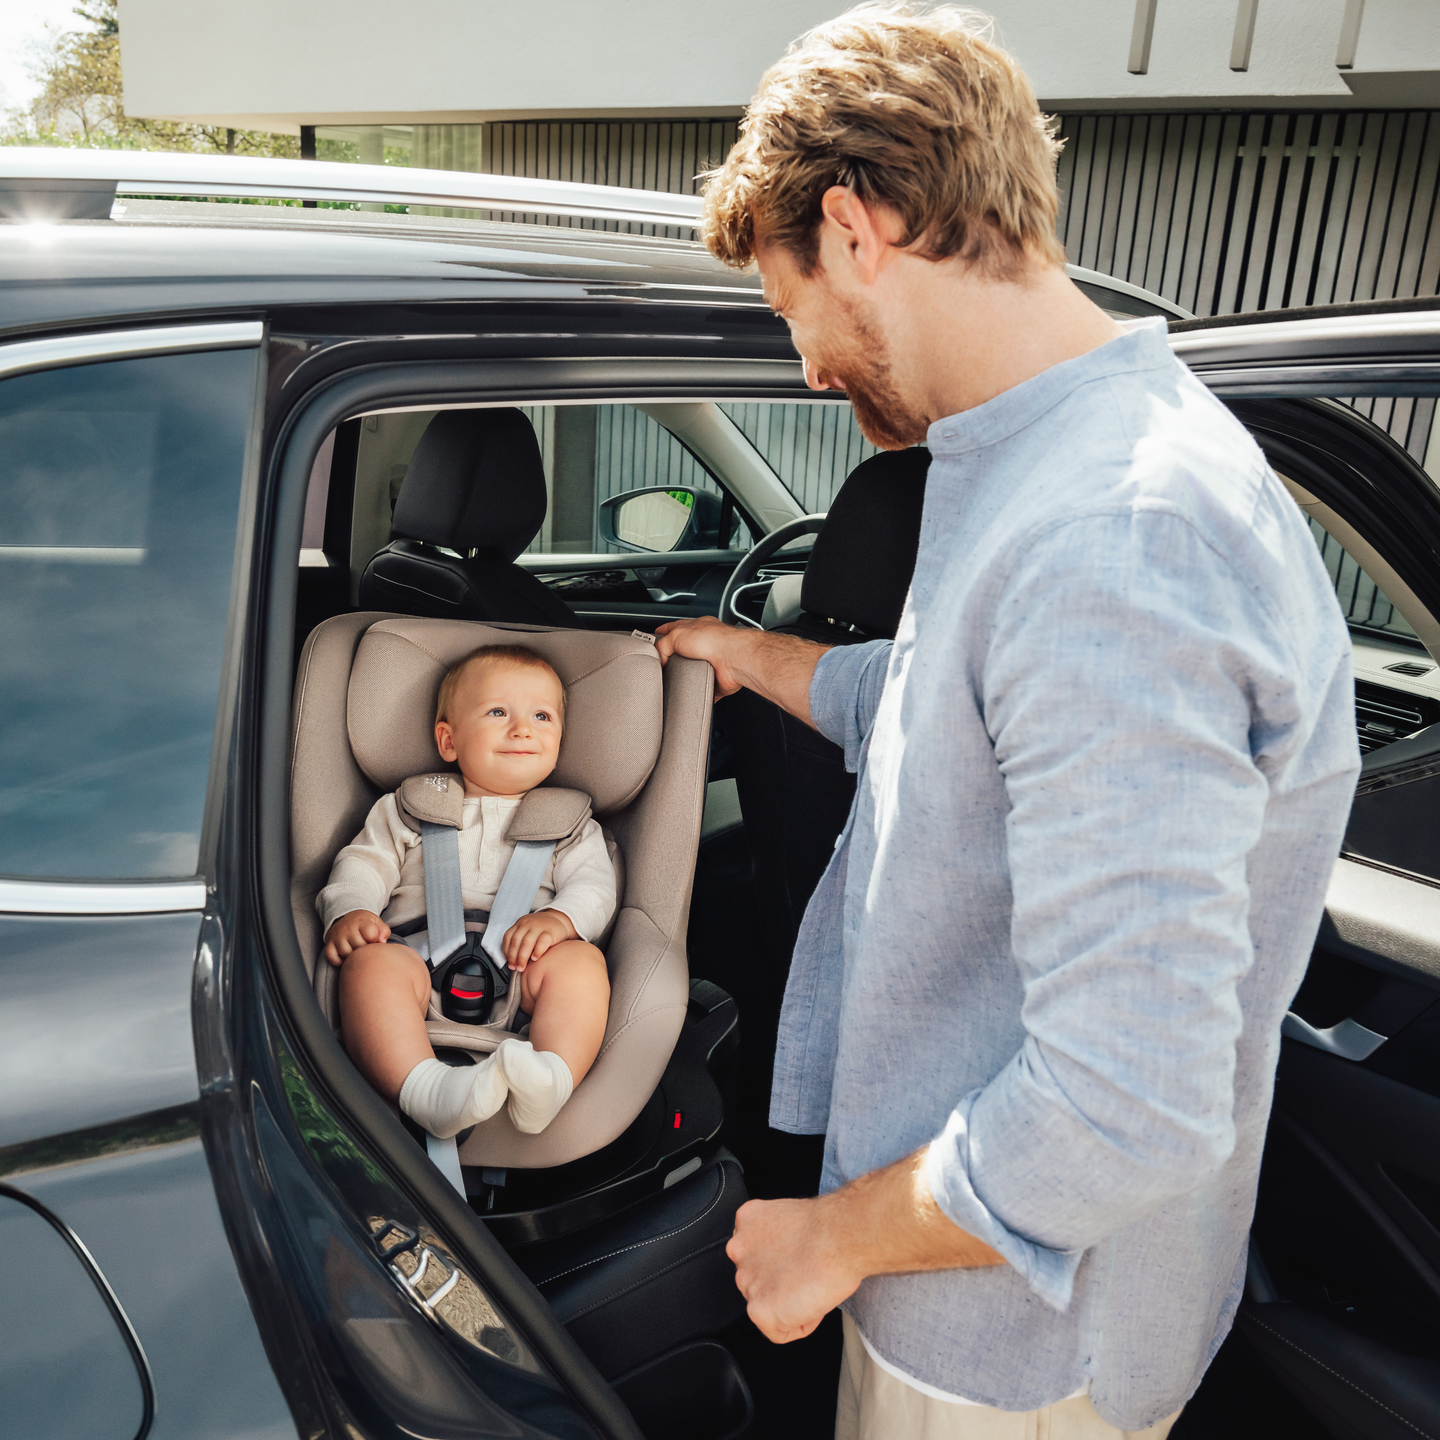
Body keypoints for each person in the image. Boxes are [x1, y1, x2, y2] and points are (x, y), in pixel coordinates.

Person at [655, 5, 1361, 1436]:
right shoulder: (1067, 466)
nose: (806, 370)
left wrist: (831, 1237)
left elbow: (1127, 1098)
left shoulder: (1115, 537)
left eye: (793, 309)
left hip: (1013, 1357)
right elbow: (945, 708)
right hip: (998, 1304)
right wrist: (756, 659)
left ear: (856, 228)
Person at [318, 644, 614, 1139]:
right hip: (414, 959)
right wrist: (351, 911)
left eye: (541, 716)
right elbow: (363, 864)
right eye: (499, 712)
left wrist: (561, 920)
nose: (522, 728)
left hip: (523, 975)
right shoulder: (408, 808)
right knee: (368, 965)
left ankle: (549, 1080)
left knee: (583, 965)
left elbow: (596, 888)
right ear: (448, 741)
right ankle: (428, 1090)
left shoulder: (569, 825)